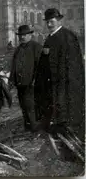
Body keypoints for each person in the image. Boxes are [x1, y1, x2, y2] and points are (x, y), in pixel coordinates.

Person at [35, 8, 85, 140]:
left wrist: (69, 78)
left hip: (65, 78)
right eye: (47, 22)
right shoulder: (49, 39)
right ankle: (57, 126)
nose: (49, 25)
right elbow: (44, 60)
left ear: (58, 20)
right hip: (52, 80)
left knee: (65, 103)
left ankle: (67, 128)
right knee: (54, 103)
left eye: (52, 21)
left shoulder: (68, 36)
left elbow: (74, 62)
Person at [9, 25, 42, 132]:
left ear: (30, 35)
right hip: (20, 84)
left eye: (24, 35)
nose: (22, 37)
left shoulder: (36, 47)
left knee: (30, 106)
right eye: (20, 35)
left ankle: (34, 128)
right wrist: (11, 81)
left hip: (30, 84)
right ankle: (27, 127)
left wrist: (35, 81)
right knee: (23, 106)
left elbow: (40, 66)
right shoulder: (18, 49)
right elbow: (13, 66)